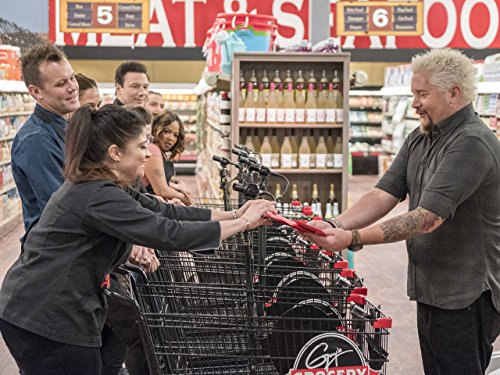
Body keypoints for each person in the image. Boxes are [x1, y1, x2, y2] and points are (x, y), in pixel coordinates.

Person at [0, 104, 275, 375]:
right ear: (115, 153)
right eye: (142, 146)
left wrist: (233, 214)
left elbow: (163, 210)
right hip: (44, 312)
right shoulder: (98, 196)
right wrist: (244, 224)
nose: (148, 154)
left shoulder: (106, 184)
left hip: (50, 306)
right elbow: (168, 232)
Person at [304, 48, 500, 374]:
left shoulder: (472, 143)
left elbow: (426, 218)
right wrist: (331, 224)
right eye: (413, 94)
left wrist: (351, 237)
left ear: (454, 93)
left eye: (422, 94)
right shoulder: (420, 137)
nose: (414, 104)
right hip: (433, 286)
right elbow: (384, 193)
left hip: (466, 294)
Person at [11, 42, 79, 239]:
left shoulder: (66, 127)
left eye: (72, 78)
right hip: (56, 256)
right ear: (36, 92)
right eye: (61, 84)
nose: (72, 87)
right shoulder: (36, 140)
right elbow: (66, 209)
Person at [142, 110, 193, 205]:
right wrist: (185, 197)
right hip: (150, 207)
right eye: (166, 131)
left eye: (175, 135)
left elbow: (161, 181)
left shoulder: (161, 152)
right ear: (157, 129)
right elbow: (162, 190)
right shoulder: (153, 149)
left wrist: (179, 186)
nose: (171, 138)